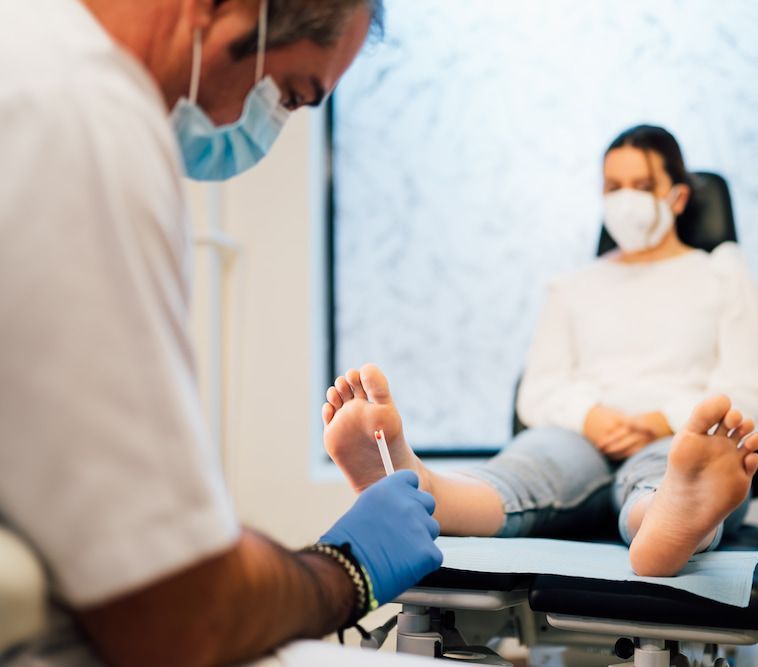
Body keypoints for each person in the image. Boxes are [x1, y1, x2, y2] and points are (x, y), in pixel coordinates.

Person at [0, 1, 442, 665]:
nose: (248, 126)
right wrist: (346, 569)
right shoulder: (84, 115)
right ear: (228, 11)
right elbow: (179, 611)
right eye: (290, 94)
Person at [323, 125, 758, 577]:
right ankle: (420, 485)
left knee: (668, 472)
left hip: (679, 434)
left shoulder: (721, 273)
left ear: (677, 198)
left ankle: (673, 515)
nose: (626, 200)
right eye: (614, 187)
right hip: (579, 436)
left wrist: (661, 420)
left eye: (642, 186)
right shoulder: (574, 286)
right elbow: (539, 390)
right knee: (528, 466)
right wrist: (593, 418)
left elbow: (750, 389)